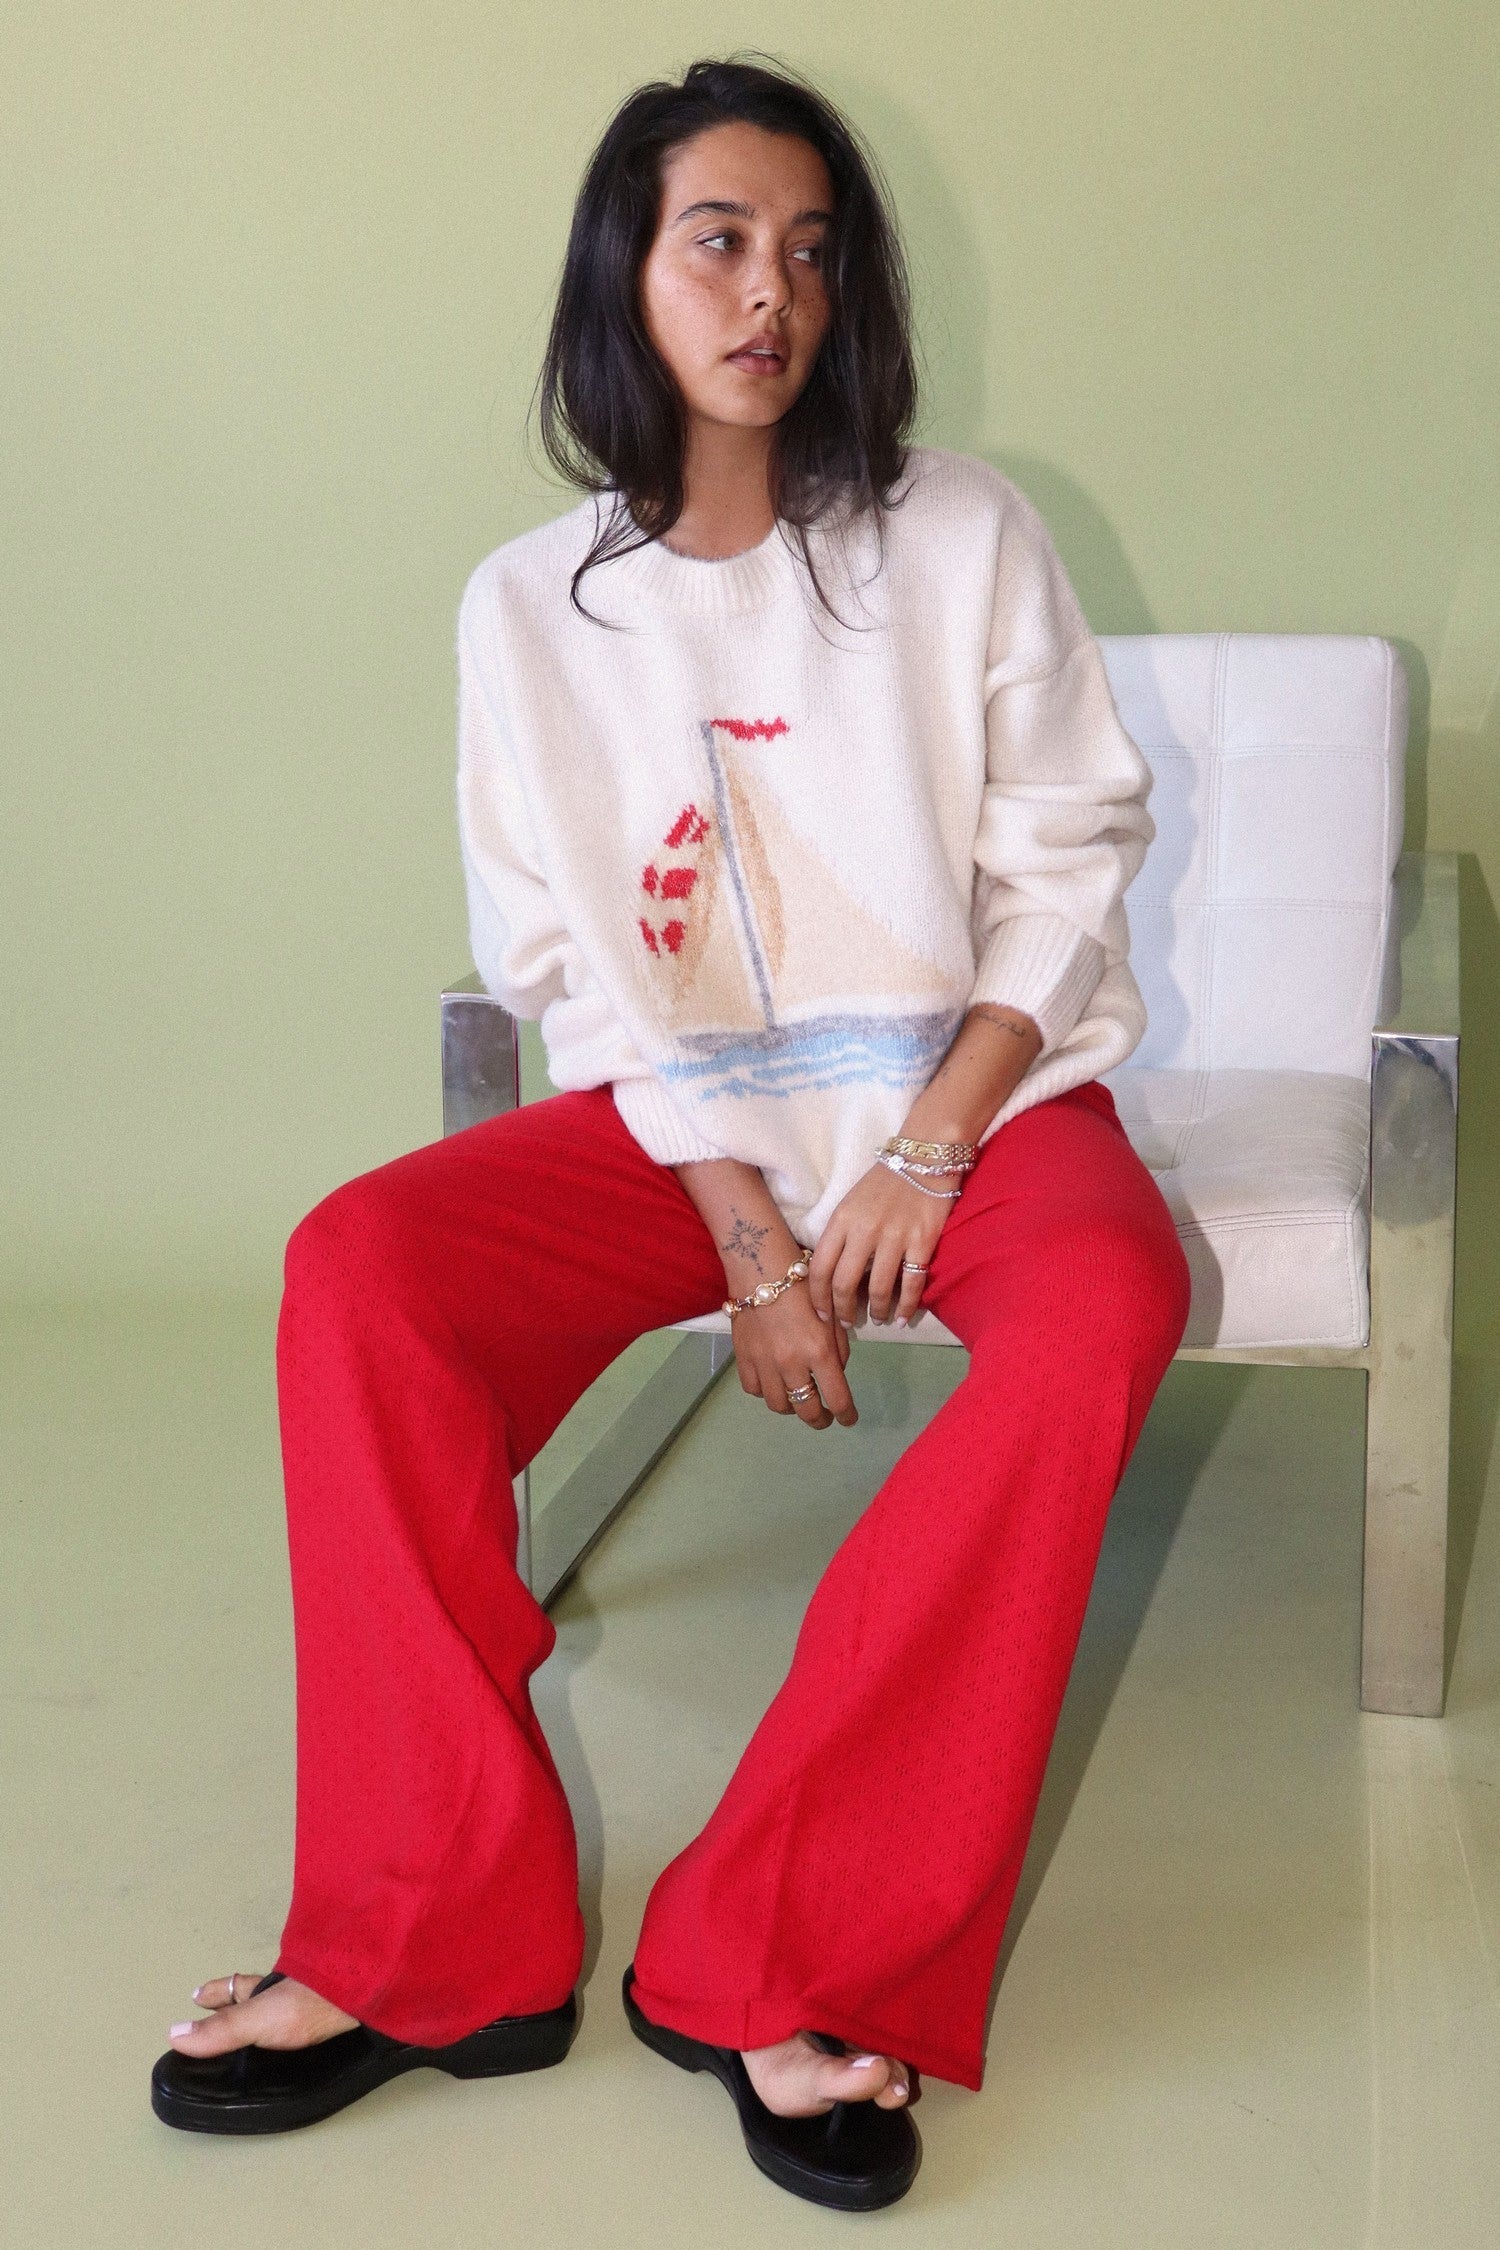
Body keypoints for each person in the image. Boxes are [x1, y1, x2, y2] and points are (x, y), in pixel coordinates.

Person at [150, 56, 1191, 2212]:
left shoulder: (963, 532)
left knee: (1106, 1304)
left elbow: (1068, 857)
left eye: (811, 250)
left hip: (974, 1103)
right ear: (625, 275)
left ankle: (780, 1947)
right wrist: (750, 1235)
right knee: (363, 1269)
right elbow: (575, 966)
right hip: (689, 1133)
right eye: (718, 241)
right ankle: (434, 1936)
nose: (769, 292)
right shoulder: (531, 603)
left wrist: (922, 1151)